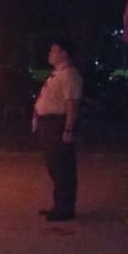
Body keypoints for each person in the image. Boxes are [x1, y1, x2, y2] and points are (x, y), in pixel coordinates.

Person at [33, 37, 83, 222]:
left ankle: (65, 208)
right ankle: (59, 204)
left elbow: (72, 104)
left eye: (54, 50)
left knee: (63, 166)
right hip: (48, 124)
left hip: (58, 123)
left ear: (64, 53)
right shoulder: (58, 74)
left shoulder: (69, 75)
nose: (50, 53)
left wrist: (68, 129)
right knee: (54, 165)